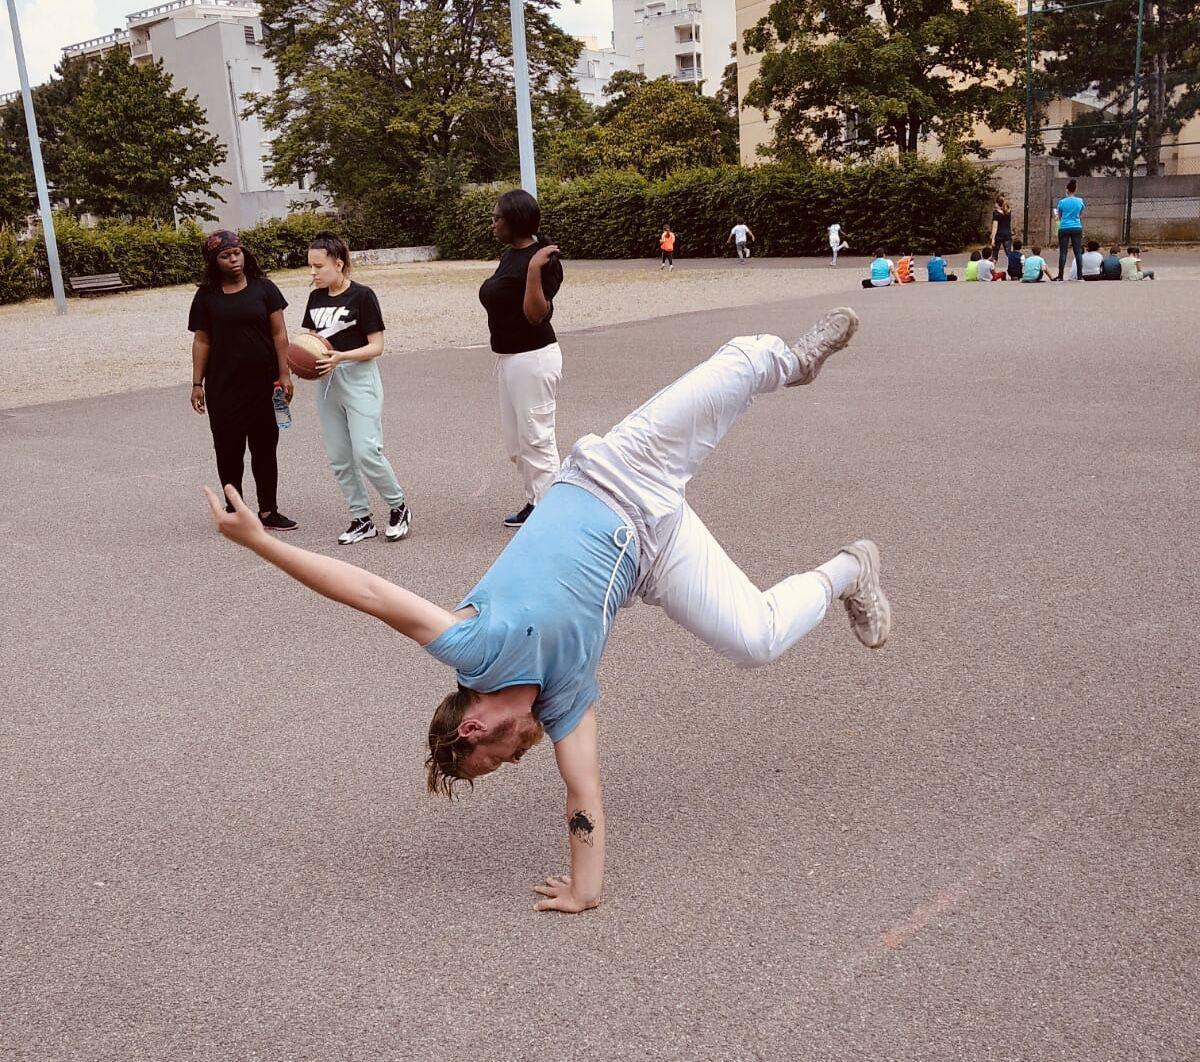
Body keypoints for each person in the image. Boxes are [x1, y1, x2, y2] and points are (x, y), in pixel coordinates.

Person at [204, 306, 891, 915]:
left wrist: (261, 544)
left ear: (474, 725)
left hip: (618, 472)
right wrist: (585, 889)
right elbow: (582, 793)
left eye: (494, 760)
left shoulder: (477, 646)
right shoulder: (562, 703)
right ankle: (851, 570)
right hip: (655, 553)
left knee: (730, 375)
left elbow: (369, 594)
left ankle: (790, 361)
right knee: (756, 639)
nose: (513, 761)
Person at [304, 230, 412, 545]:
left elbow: (376, 346)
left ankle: (398, 506)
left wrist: (341, 357)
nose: (313, 273)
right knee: (339, 457)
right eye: (310, 266)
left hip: (358, 377)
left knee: (366, 451)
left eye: (318, 266)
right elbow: (309, 341)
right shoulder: (315, 297)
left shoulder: (362, 296)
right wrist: (300, 364)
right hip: (327, 382)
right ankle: (361, 518)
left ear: (338, 264)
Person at [188, 229, 297, 532]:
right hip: (224, 387)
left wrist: (284, 373)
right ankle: (235, 510)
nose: (234, 259)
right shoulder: (206, 297)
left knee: (265, 448)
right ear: (214, 261)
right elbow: (202, 341)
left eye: (237, 252)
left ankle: (268, 511)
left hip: (265, 384)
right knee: (228, 450)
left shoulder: (265, 288)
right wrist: (197, 383)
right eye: (225, 256)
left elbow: (279, 333)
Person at [480, 189, 565, 529]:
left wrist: (533, 270)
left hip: (535, 359)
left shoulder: (544, 260)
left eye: (497, 217)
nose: (493, 223)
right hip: (510, 359)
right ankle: (536, 499)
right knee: (517, 441)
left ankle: (552, 514)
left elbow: (535, 314)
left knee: (538, 438)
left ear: (515, 220)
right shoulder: (509, 255)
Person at [1054, 178, 1086, 281]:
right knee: (1077, 252)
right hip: (1076, 227)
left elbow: (1059, 215)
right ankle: (1080, 275)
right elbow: (1080, 214)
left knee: (1063, 252)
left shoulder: (1062, 202)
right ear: (1075, 189)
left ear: (1067, 190)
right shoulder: (1080, 201)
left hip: (1064, 227)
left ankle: (1060, 275)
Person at [990, 195, 1014, 261]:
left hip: (999, 235)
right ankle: (1014, 266)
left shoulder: (996, 213)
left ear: (997, 203)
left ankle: (993, 268)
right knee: (1009, 253)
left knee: (995, 254)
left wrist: (993, 238)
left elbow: (995, 226)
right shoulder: (1008, 211)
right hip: (1007, 234)